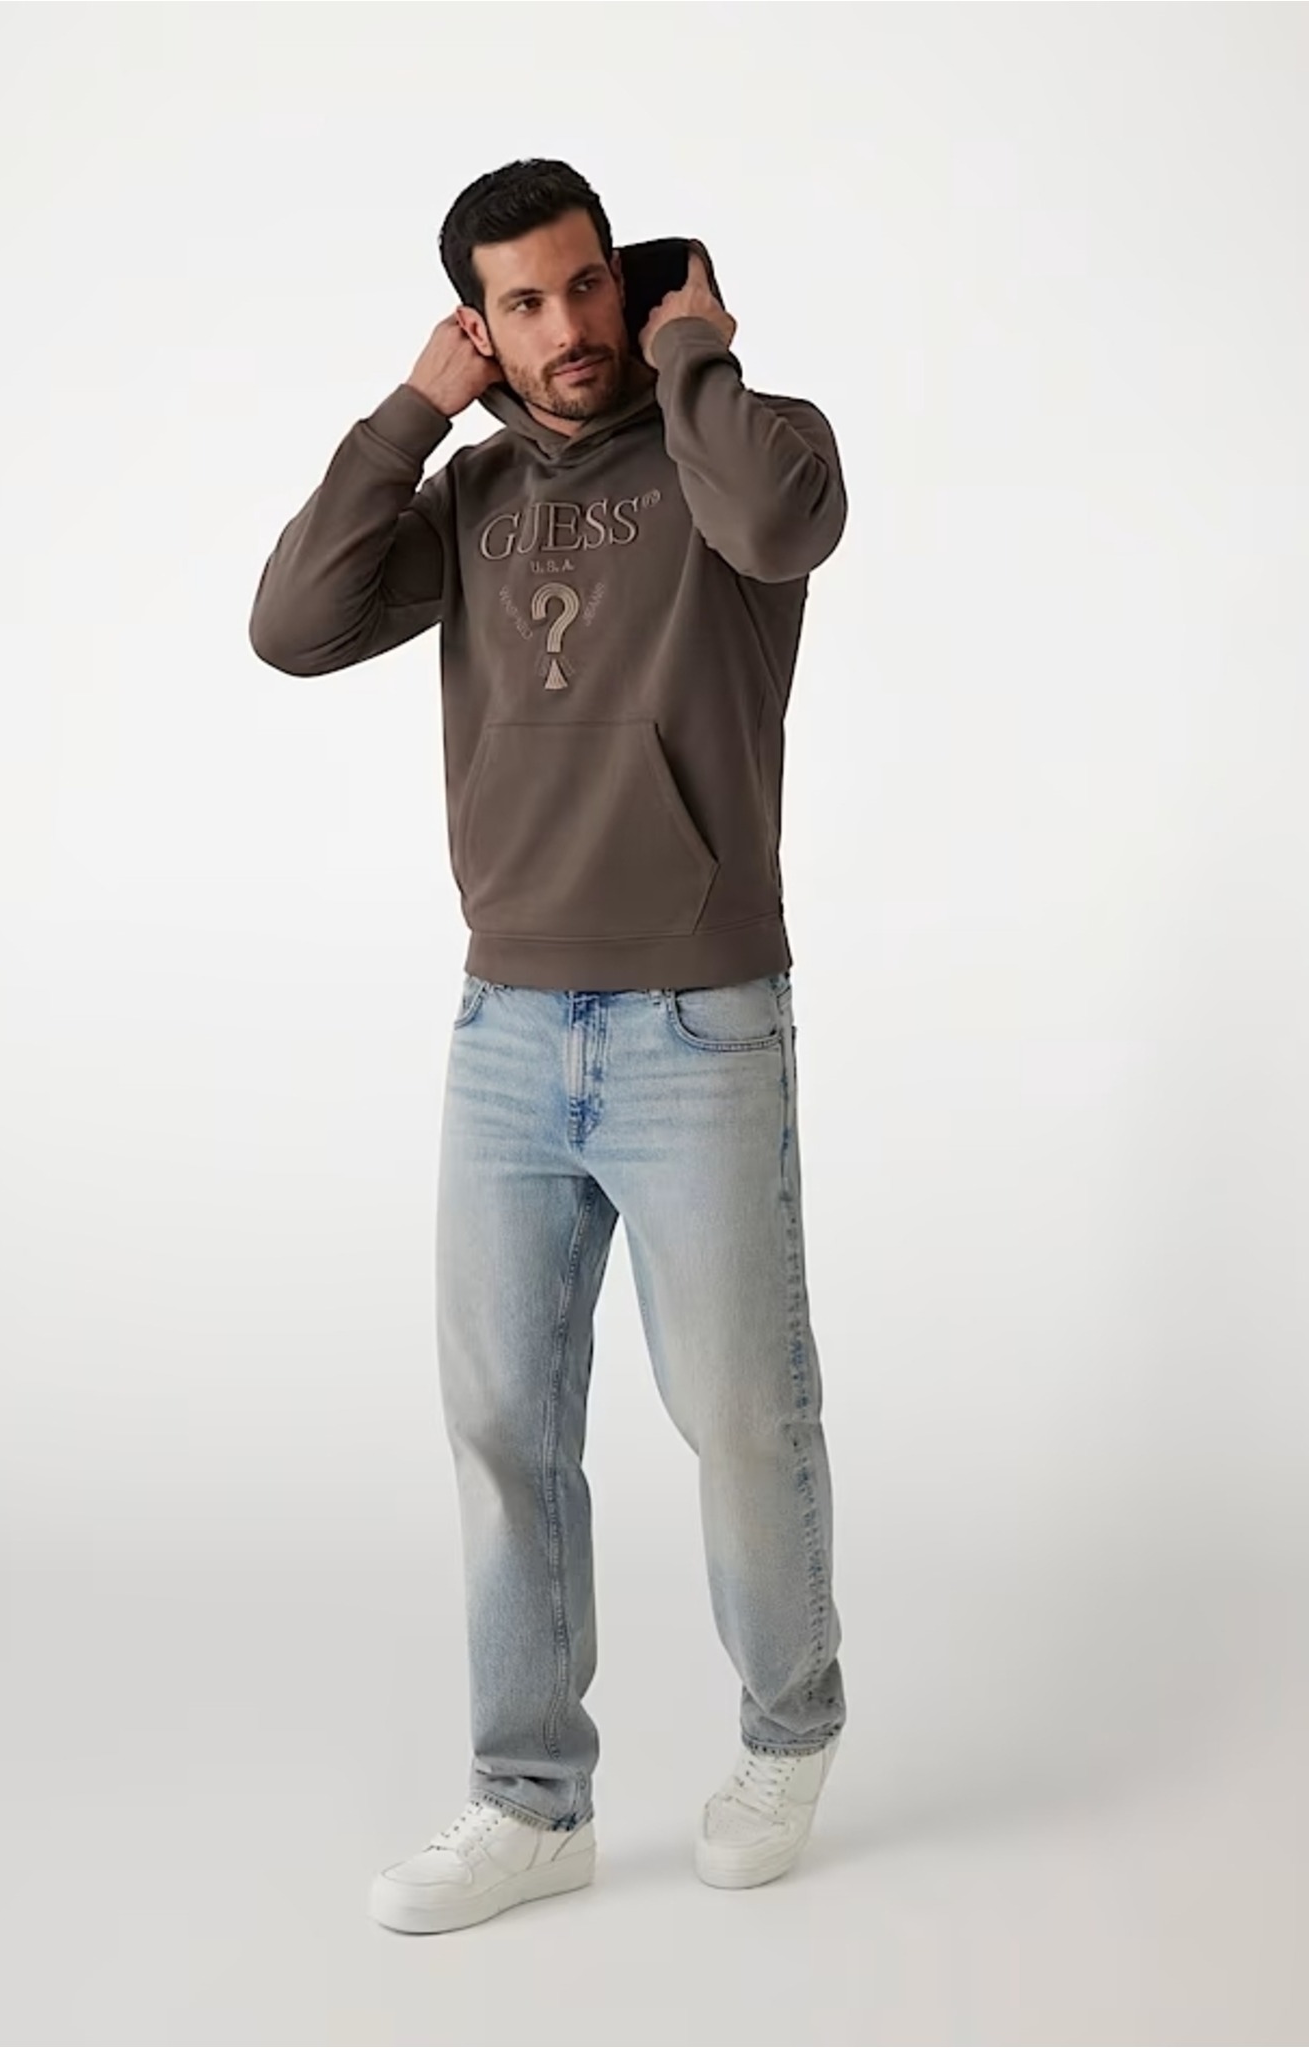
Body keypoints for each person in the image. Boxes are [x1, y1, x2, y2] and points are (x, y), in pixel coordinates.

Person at [248, 158, 849, 1935]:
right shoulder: (472, 496)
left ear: (635, 284)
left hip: (698, 1022)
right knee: (505, 1428)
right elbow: (291, 627)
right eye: (524, 303)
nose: (567, 327)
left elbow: (785, 531)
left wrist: (700, 357)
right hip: (506, 1025)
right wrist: (406, 417)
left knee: (742, 1416)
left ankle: (790, 1730)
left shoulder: (744, 448)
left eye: (590, 285)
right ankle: (532, 1802)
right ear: (480, 325)